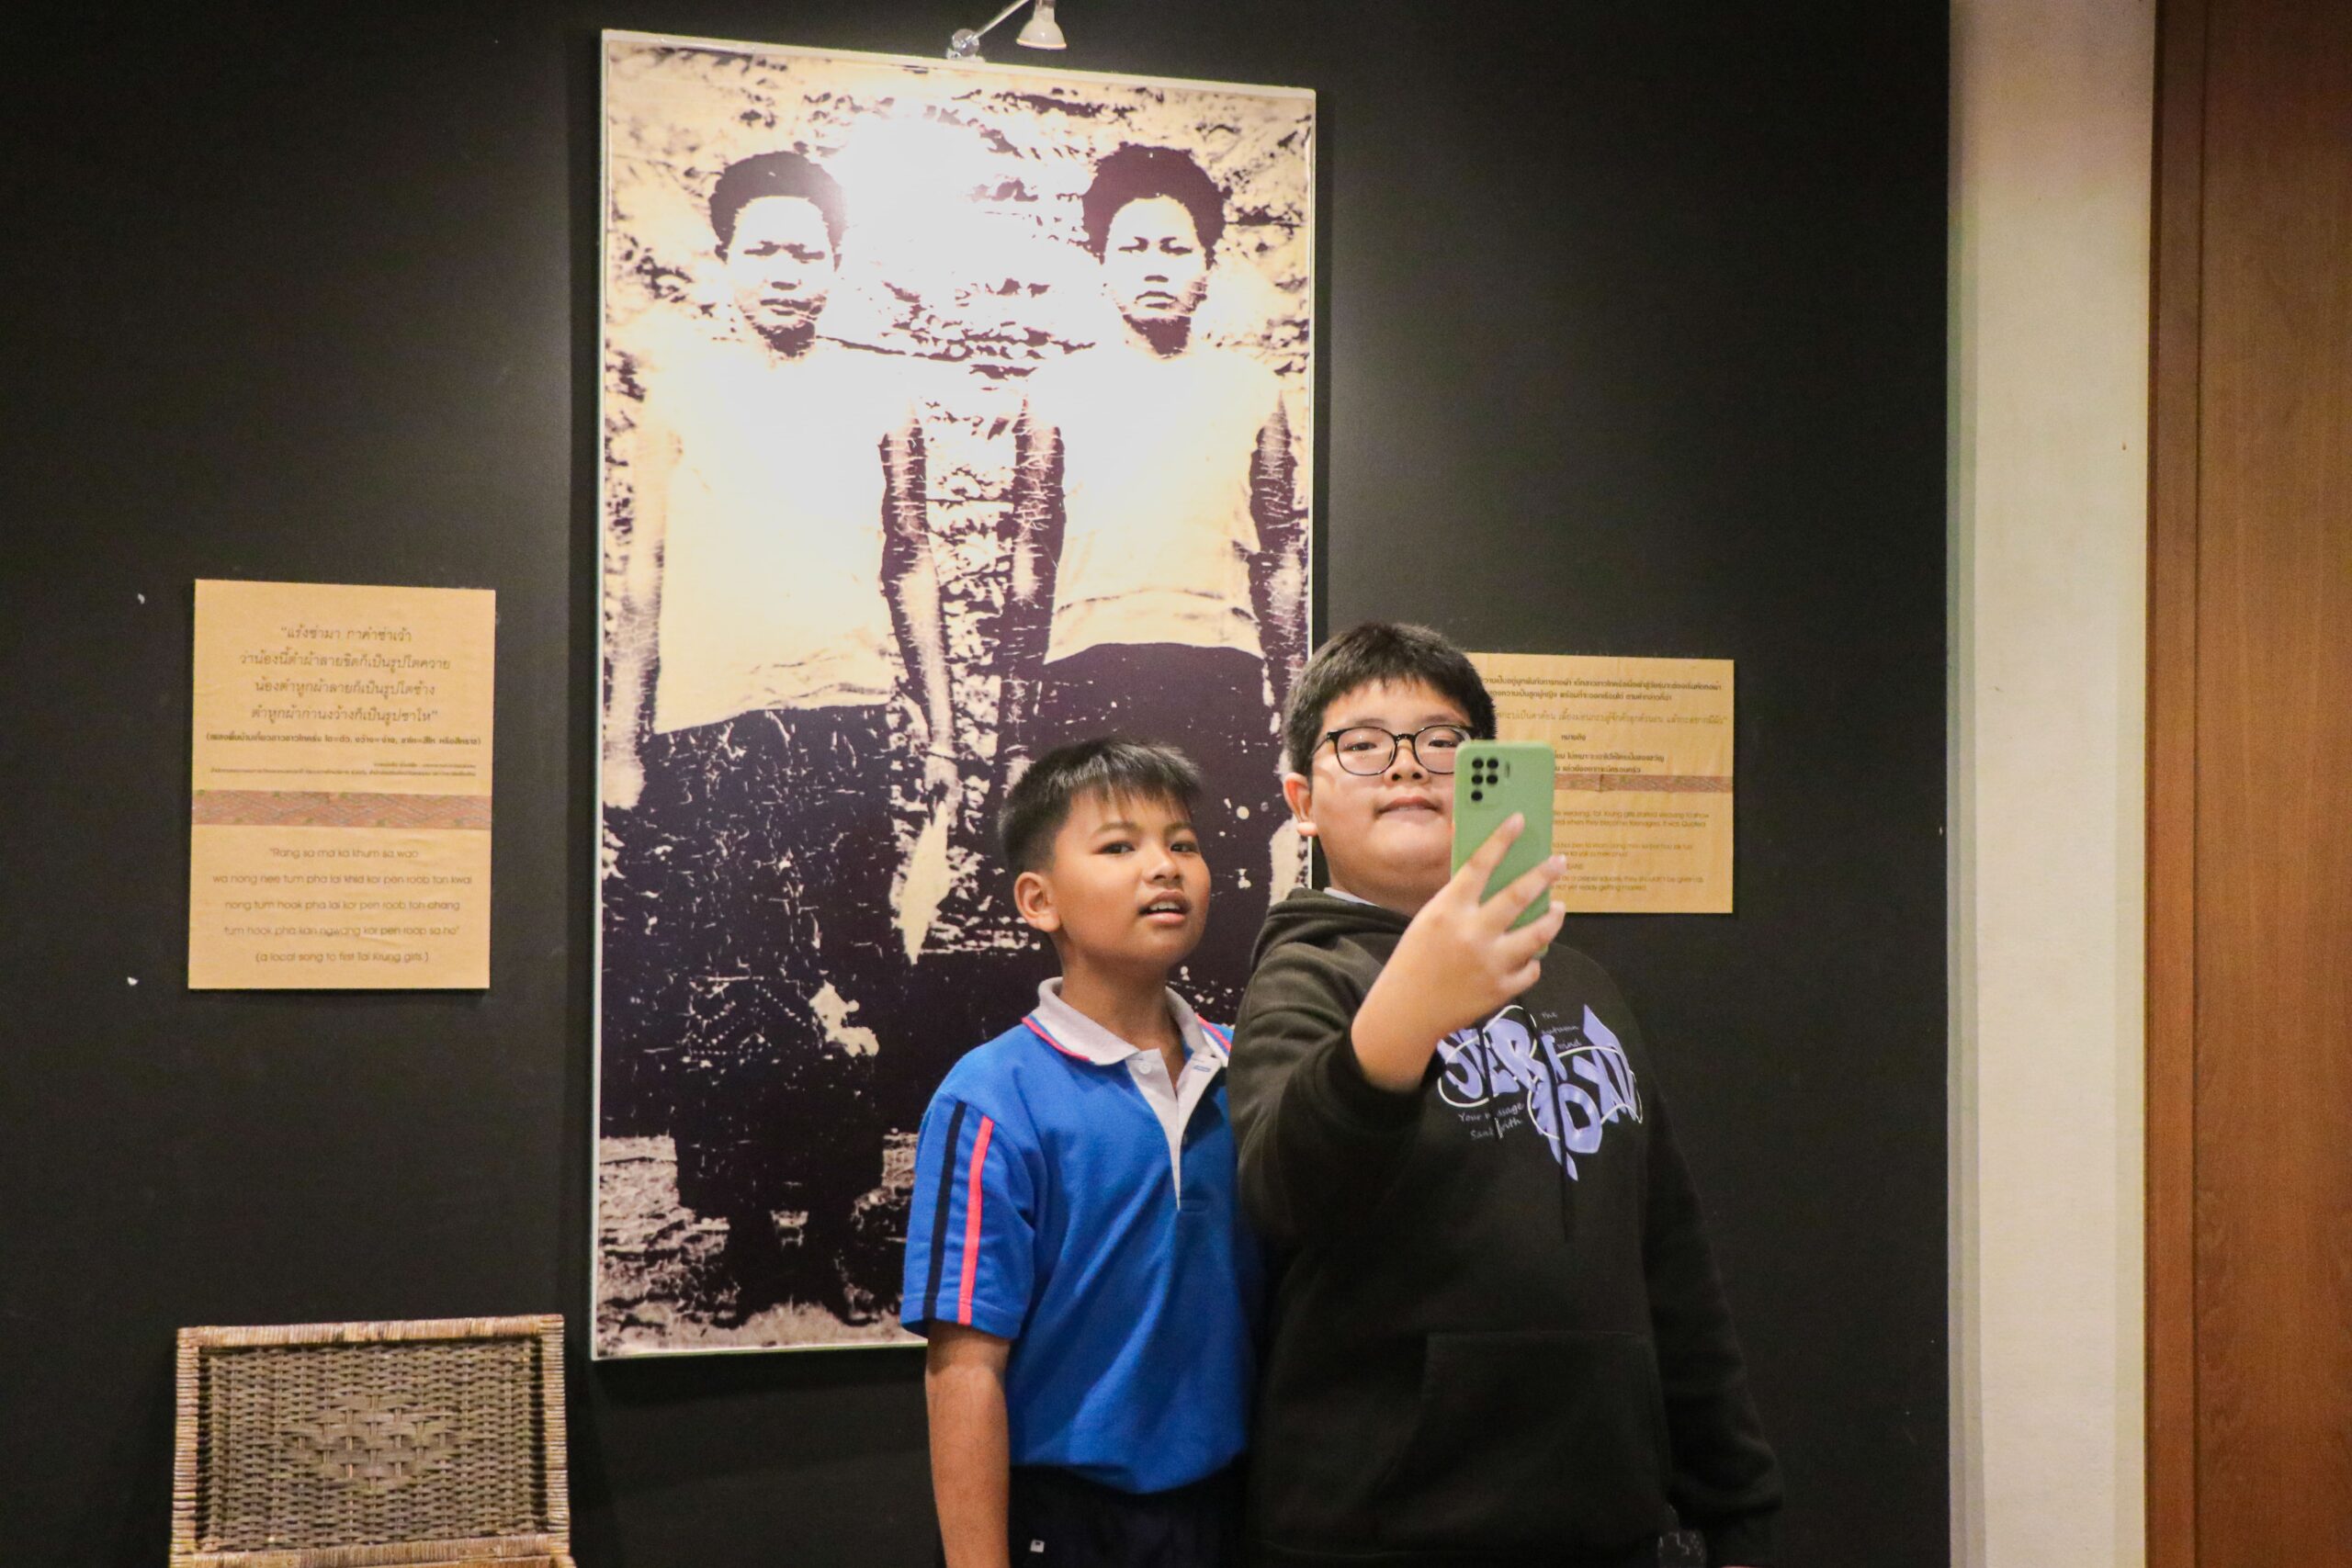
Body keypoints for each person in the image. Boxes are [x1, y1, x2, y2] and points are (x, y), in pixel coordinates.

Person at [1228, 623, 1781, 1568]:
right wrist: (1403, 1017)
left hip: (1606, 1524)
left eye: (1442, 741)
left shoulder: (1584, 985)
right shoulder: (1303, 979)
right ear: (1303, 803)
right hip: (1378, 1533)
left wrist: (1741, 1506)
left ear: (1490, 774)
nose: (1407, 765)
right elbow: (1284, 1192)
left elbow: (1671, 1262)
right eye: (1361, 744)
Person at [602, 151, 957, 1325]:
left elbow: (911, 562)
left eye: (808, 251)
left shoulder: (881, 398)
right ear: (724, 261)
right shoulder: (682, 397)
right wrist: (623, 740)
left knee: (851, 972)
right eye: (762, 249)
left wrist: (942, 727)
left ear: (836, 263)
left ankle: (839, 1229)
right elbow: (645, 573)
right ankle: (750, 1235)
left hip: (844, 722)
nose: (786, 272)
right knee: (732, 985)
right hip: (713, 729)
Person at [903, 738, 1261, 1568]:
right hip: (1068, 1521)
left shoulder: (1250, 1067)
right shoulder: (991, 1096)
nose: (1164, 866)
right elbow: (964, 1368)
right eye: (1119, 846)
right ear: (1040, 899)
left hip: (1240, 1505)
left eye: (1182, 843)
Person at [995, 142, 1307, 1021]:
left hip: (1214, 669)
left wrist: (1294, 714)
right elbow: (1030, 561)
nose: (1155, 267)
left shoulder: (1250, 391)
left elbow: (1282, 557)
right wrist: (1013, 736)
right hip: (1090, 670)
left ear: (1208, 264)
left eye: (1176, 247)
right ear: (1101, 263)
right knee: (1097, 890)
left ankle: (1217, 1074)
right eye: (1132, 247)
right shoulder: (1058, 390)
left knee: (1217, 881)